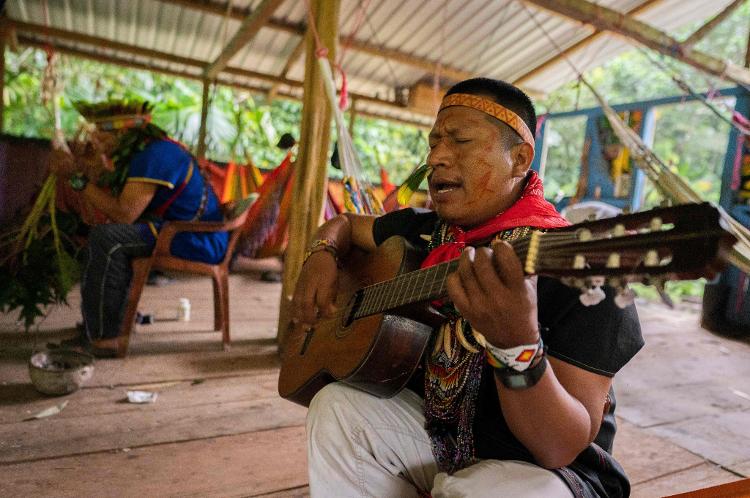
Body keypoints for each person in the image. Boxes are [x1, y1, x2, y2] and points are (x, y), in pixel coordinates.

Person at [291, 78, 643, 497]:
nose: (436, 156)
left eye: (460, 140)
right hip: (444, 437)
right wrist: (322, 251)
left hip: (542, 473)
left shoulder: (582, 274)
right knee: (336, 409)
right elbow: (346, 223)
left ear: (519, 159)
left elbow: (560, 447)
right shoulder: (425, 234)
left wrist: (517, 347)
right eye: (434, 141)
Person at [50, 101, 228, 357]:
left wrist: (76, 179)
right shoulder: (147, 151)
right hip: (184, 231)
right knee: (110, 235)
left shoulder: (154, 155)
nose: (95, 140)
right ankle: (115, 323)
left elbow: (124, 213)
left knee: (108, 239)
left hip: (195, 239)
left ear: (124, 133)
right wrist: (90, 169)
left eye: (102, 134)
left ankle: (106, 337)